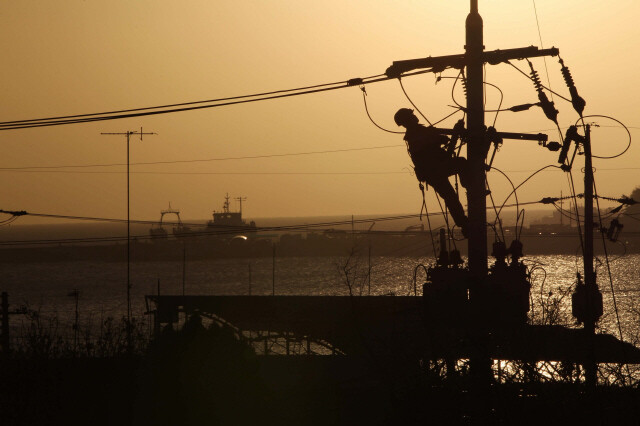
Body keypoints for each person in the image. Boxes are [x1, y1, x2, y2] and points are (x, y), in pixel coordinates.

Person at [394, 108, 469, 236]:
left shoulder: (418, 133)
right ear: (407, 120)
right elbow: (433, 143)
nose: (415, 116)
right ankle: (470, 187)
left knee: (450, 197)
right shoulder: (416, 134)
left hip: (434, 172)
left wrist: (447, 136)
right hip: (435, 171)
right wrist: (449, 135)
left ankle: (464, 223)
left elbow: (437, 141)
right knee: (460, 166)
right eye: (411, 115)